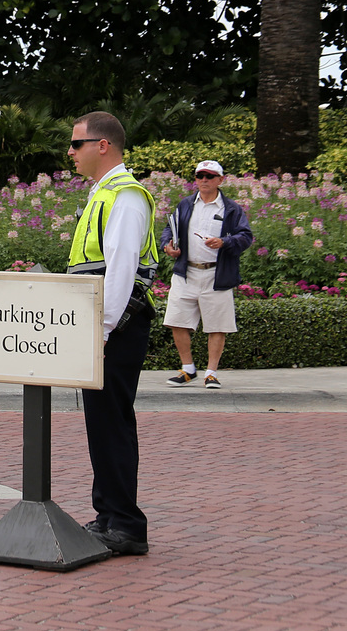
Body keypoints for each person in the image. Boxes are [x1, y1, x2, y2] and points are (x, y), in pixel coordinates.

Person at [66, 111, 159, 557]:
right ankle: (108, 515)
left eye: (76, 144)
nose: (70, 153)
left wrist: (101, 331)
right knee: (102, 424)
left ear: (102, 145)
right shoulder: (105, 194)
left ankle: (125, 524)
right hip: (105, 326)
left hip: (115, 327)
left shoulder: (125, 196)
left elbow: (121, 272)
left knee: (112, 423)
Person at [161, 159, 253, 389]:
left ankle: (211, 373)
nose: (203, 180)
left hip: (217, 275)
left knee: (217, 326)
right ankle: (188, 368)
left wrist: (224, 242)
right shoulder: (185, 204)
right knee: (177, 321)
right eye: (199, 176)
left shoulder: (231, 209)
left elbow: (246, 237)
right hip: (186, 272)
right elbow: (168, 228)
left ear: (220, 180)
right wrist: (167, 245)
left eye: (209, 176)